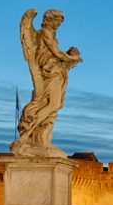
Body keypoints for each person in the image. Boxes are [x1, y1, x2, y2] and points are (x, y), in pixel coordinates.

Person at [14, 9, 82, 154]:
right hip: (50, 73)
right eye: (56, 20)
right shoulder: (45, 33)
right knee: (53, 104)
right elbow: (56, 53)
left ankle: (40, 139)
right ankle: (27, 134)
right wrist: (72, 58)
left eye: (60, 22)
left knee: (53, 106)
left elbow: (56, 55)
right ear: (48, 19)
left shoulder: (51, 35)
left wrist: (69, 58)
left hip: (56, 72)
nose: (58, 24)